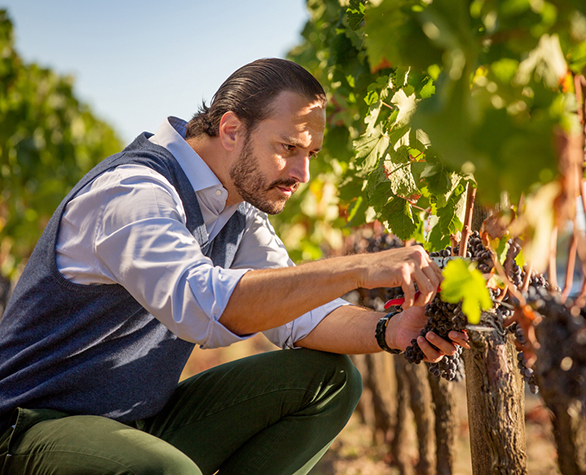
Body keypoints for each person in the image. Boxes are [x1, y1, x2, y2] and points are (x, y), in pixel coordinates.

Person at [0, 58, 469, 475]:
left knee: (330, 382)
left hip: (136, 421)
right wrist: (361, 268)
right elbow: (205, 309)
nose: (303, 174)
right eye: (289, 147)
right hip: (33, 427)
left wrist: (391, 330)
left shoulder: (236, 210)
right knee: (162, 470)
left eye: (311, 155)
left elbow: (300, 316)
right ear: (230, 130)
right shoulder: (134, 192)